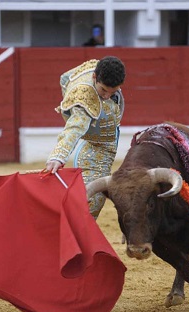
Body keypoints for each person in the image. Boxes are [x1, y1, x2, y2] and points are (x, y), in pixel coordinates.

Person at [44, 56, 126, 219]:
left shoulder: (98, 68)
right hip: (100, 145)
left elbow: (65, 78)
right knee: (93, 198)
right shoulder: (84, 97)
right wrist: (58, 156)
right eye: (103, 90)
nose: (107, 96)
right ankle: (71, 238)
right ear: (94, 77)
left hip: (101, 136)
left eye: (113, 91)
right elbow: (75, 128)